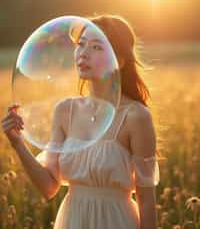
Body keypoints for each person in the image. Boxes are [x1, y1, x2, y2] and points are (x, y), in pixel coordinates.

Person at [1, 14, 160, 229]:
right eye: (81, 45)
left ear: (120, 61)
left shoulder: (135, 116)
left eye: (96, 47)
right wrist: (18, 144)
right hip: (72, 221)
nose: (83, 54)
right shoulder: (66, 110)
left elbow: (147, 202)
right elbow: (48, 188)